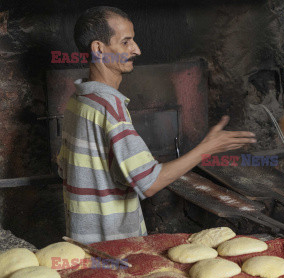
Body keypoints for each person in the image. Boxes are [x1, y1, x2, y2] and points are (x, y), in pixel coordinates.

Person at [57, 6, 256, 244]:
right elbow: (149, 183)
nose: (137, 50)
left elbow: (63, 168)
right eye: (126, 42)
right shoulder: (110, 107)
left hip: (82, 240)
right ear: (99, 49)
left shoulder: (79, 100)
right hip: (115, 245)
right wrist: (207, 148)